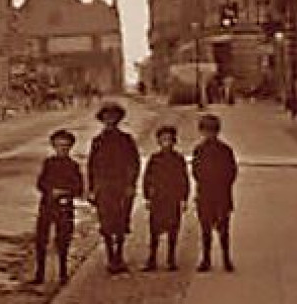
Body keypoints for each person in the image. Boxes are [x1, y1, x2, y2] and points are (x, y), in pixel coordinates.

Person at [87, 100, 140, 274]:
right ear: (102, 120)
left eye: (113, 117)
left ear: (119, 119)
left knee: (121, 221)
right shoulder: (97, 141)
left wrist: (131, 184)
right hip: (104, 186)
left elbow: (134, 163)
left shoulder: (126, 140)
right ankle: (110, 257)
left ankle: (119, 255)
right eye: (106, 117)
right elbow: (92, 166)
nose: (110, 120)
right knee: (106, 222)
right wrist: (92, 188)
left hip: (121, 185)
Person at [31, 129, 85, 284]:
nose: (62, 149)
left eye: (66, 146)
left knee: (63, 240)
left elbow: (78, 188)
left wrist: (63, 192)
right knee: (41, 240)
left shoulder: (73, 166)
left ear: (70, 147)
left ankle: (63, 272)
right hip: (47, 206)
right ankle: (39, 274)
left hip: (65, 208)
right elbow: (41, 183)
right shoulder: (49, 163)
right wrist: (49, 190)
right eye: (59, 145)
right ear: (54, 146)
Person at [191, 112, 238, 272]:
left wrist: (224, 184)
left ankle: (226, 258)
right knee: (205, 229)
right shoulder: (199, 150)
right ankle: (206, 258)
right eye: (206, 131)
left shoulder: (225, 150)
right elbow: (195, 170)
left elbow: (232, 171)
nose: (209, 134)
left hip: (222, 193)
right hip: (205, 193)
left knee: (223, 228)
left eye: (212, 131)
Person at [142, 124, 190, 271]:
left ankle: (171, 259)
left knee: (173, 230)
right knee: (154, 231)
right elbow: (147, 178)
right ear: (159, 142)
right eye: (163, 140)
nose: (166, 143)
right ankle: (152, 259)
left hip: (173, 199)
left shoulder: (178, 159)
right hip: (158, 198)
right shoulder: (154, 159)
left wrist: (184, 198)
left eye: (169, 140)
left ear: (174, 141)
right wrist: (147, 197)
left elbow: (184, 179)